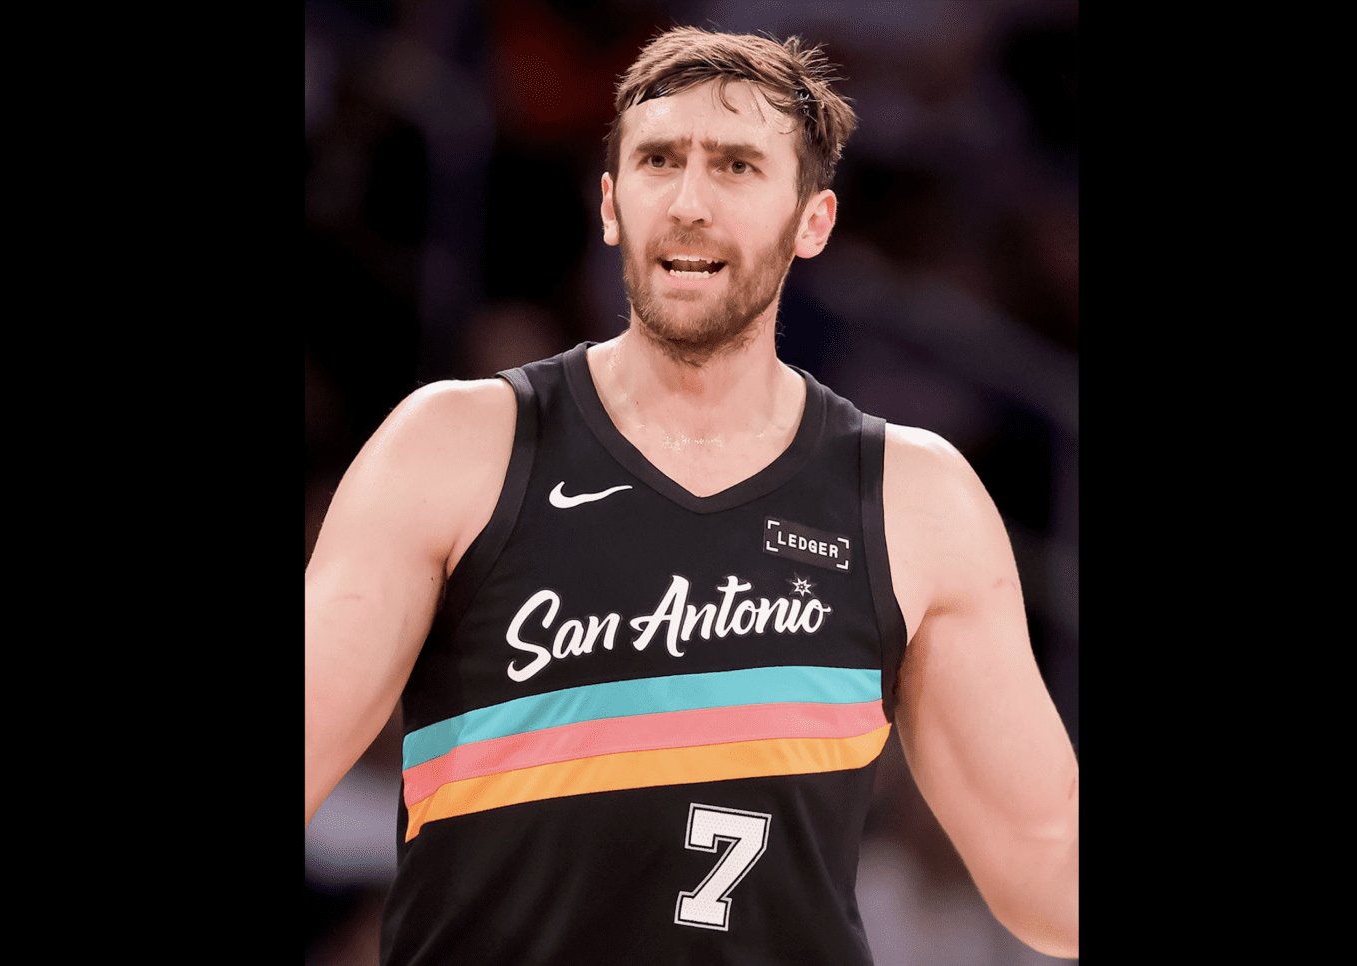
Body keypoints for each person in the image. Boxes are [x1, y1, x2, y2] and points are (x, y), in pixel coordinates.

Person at [305, 26, 1078, 965]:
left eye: (738, 167)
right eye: (659, 161)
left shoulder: (915, 496)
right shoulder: (457, 445)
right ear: (610, 204)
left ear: (813, 221)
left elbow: (1047, 862)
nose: (688, 202)